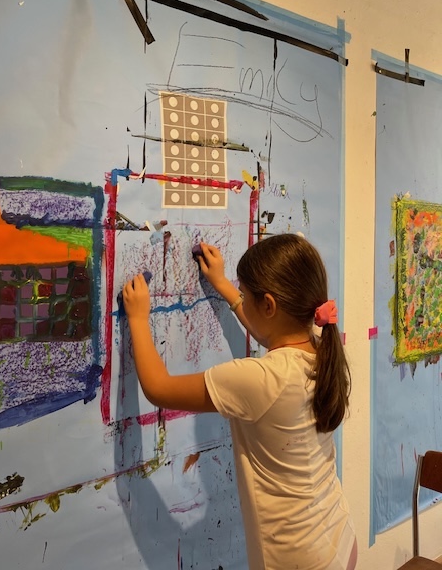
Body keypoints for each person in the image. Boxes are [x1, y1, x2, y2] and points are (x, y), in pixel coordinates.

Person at [122, 233, 357, 570]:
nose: (242, 299)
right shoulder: (321, 345)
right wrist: (222, 284)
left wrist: (137, 318)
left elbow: (158, 389)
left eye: (245, 295)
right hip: (337, 534)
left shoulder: (259, 379)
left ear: (269, 305)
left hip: (297, 559)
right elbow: (268, 332)